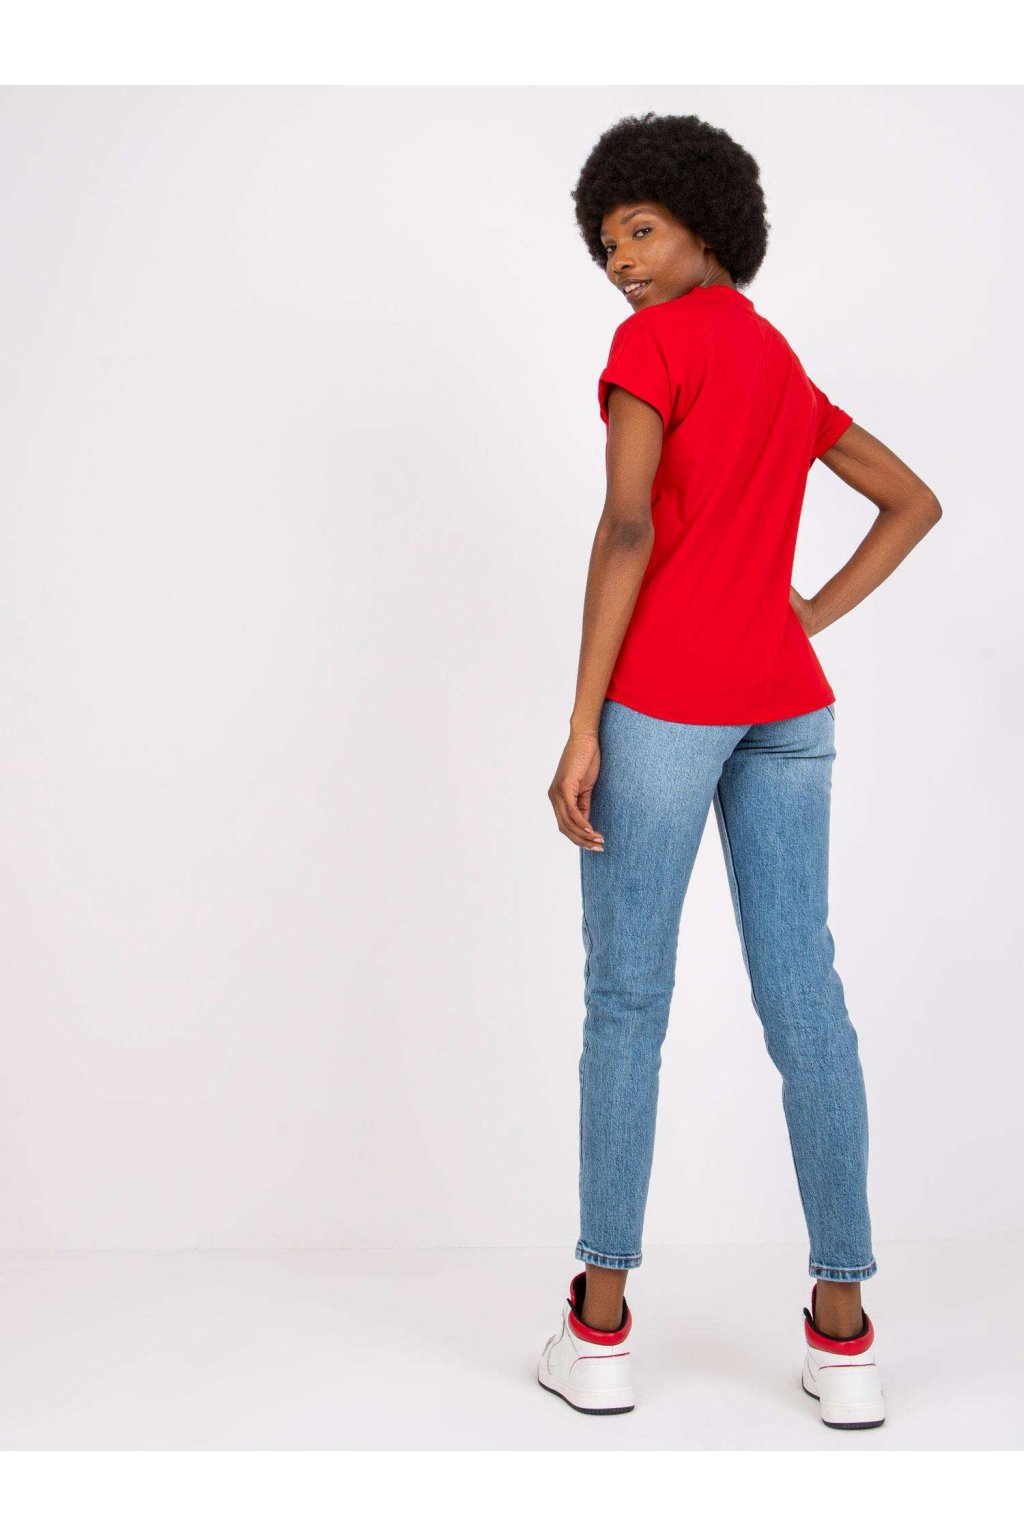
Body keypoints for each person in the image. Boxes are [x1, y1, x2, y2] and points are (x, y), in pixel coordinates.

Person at [536, 112, 942, 1428]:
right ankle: (845, 1335)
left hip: (663, 702)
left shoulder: (653, 348)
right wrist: (803, 615)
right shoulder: (776, 361)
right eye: (607, 244)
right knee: (805, 1000)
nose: (622, 263)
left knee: (627, 1003)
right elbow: (913, 501)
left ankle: (599, 1329)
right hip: (787, 706)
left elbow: (628, 526)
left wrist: (583, 723)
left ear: (707, 225)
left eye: (641, 232)